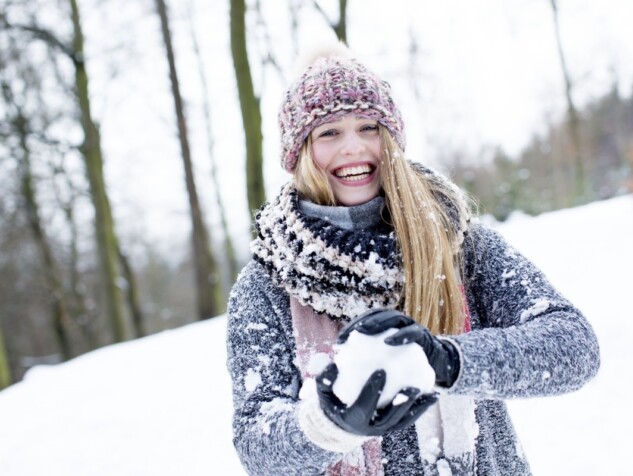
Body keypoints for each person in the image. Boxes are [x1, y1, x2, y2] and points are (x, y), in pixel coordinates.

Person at [226, 46, 600, 476]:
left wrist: (446, 361)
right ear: (299, 152)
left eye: (368, 127)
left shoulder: (455, 238)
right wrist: (330, 420)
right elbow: (256, 444)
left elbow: (574, 346)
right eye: (328, 132)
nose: (353, 147)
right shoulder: (269, 282)